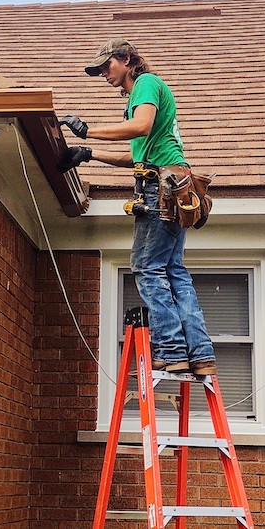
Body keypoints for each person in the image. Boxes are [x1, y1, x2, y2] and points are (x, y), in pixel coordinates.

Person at [58, 38, 216, 376]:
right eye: (99, 69)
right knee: (173, 271)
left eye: (107, 65)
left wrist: (87, 132)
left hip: (160, 188)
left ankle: (172, 350)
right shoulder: (140, 99)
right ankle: (200, 354)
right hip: (174, 186)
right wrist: (88, 155)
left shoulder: (146, 83)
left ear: (127, 59)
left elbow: (141, 126)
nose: (103, 73)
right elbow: (136, 155)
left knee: (147, 268)